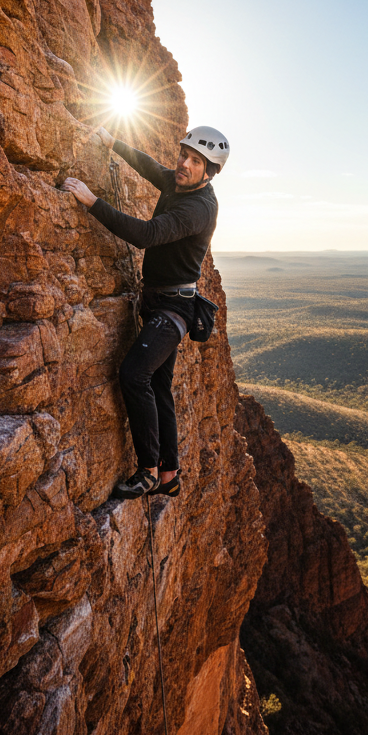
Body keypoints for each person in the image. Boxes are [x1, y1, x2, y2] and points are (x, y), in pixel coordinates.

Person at [61, 125, 229, 500]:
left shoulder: (199, 208)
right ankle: (169, 474)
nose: (183, 163)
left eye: (195, 160)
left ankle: (148, 471)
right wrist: (113, 143)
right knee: (158, 386)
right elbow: (151, 167)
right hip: (159, 300)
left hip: (175, 307)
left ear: (210, 171)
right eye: (184, 154)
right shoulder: (180, 182)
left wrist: (92, 201)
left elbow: (147, 235)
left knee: (134, 374)